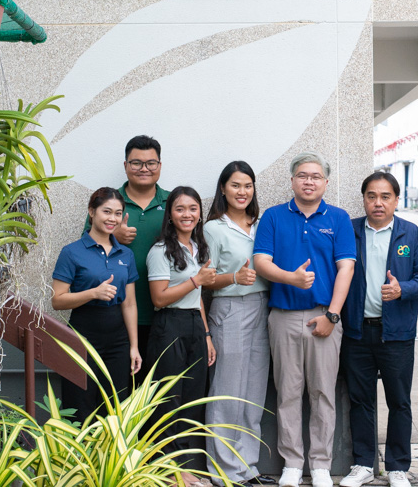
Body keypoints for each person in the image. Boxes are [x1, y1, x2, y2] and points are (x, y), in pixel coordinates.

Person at [253, 152, 356, 487]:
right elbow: (260, 262)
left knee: (323, 392)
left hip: (324, 318)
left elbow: (346, 268)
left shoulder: (338, 219)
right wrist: (290, 278)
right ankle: (292, 464)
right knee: (288, 393)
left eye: (315, 176)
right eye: (302, 175)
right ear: (292, 180)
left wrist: (333, 315)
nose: (308, 181)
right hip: (283, 317)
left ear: (325, 182)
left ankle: (321, 463)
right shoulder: (273, 217)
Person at [339, 172, 418, 487]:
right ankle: (364, 463)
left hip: (397, 334)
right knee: (361, 400)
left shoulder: (411, 232)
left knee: (399, 401)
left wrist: (402, 289)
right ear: (364, 198)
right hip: (356, 332)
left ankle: (396, 466)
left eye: (385, 196)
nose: (378, 203)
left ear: (395, 199)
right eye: (371, 196)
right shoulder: (349, 230)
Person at [203, 161, 272, 487]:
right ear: (223, 189)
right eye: (235, 185)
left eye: (247, 185)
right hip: (229, 309)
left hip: (263, 309)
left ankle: (248, 468)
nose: (242, 192)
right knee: (227, 393)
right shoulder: (214, 228)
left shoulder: (262, 224)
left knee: (253, 393)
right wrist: (235, 277)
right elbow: (205, 279)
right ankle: (223, 472)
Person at [146, 185, 217, 487]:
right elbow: (159, 299)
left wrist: (207, 334)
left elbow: (198, 297)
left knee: (191, 400)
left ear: (200, 213)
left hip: (193, 326)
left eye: (192, 208)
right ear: (171, 215)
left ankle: (184, 469)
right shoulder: (160, 250)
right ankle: (170, 473)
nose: (187, 214)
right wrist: (195, 279)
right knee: (169, 401)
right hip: (169, 325)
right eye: (180, 209)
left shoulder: (198, 248)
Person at [52, 187, 142, 425]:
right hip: (82, 336)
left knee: (115, 406)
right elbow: (57, 300)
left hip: (118, 341)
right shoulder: (72, 252)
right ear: (91, 212)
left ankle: (110, 459)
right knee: (80, 404)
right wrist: (93, 293)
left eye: (118, 213)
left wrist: (134, 346)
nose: (112, 218)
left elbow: (130, 303)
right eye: (106, 211)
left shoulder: (126, 254)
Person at [87, 134, 169, 367]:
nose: (144, 169)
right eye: (136, 163)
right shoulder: (109, 203)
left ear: (159, 166)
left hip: (164, 313)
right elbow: (86, 249)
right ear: (126, 166)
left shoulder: (173, 203)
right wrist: (113, 236)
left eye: (150, 163)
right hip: (116, 313)